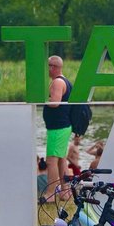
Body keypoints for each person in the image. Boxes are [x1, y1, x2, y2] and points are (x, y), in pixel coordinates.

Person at [43, 55, 73, 201]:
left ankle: (50, 194)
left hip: (58, 127)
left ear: (53, 67)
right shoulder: (64, 80)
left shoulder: (57, 82)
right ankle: (65, 192)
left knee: (51, 160)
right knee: (61, 160)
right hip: (63, 126)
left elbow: (55, 103)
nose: (46, 69)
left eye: (47, 66)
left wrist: (42, 98)